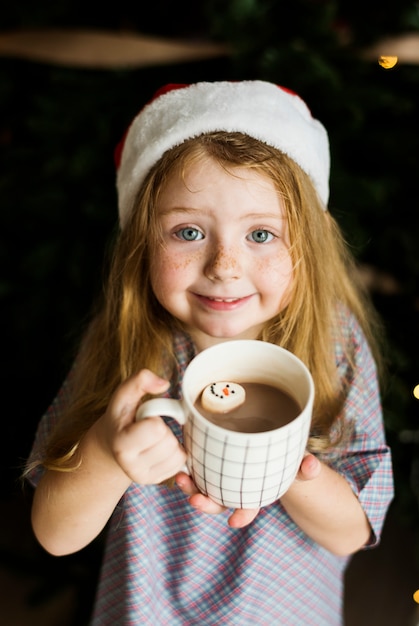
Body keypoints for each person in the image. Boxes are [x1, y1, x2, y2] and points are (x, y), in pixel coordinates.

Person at [25, 80, 394, 625]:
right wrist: (106, 449)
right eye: (189, 231)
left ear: (307, 245)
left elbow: (350, 534)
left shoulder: (332, 338)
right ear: (142, 242)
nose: (225, 265)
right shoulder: (128, 343)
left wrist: (284, 466)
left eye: (262, 235)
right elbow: (54, 535)